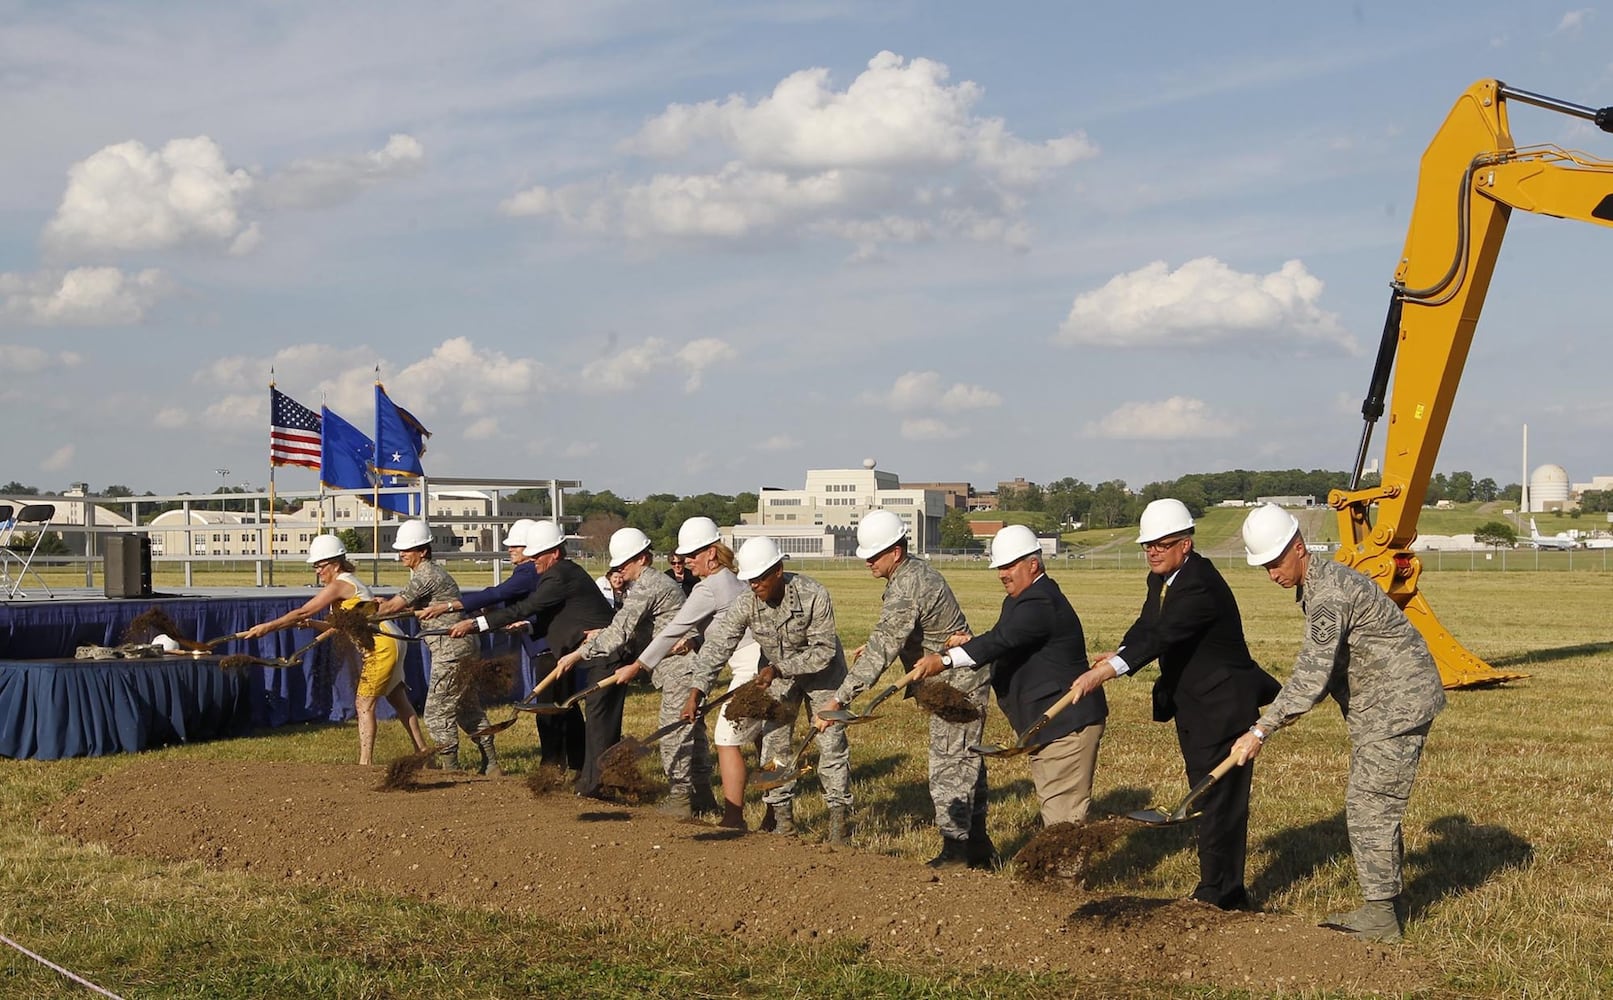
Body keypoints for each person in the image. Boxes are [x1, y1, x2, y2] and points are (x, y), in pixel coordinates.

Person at [1229, 503, 1446, 943]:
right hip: (1386, 705)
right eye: (1264, 567)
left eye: (1275, 562)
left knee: (1368, 808)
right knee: (1376, 807)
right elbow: (1324, 672)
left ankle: (1381, 917)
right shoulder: (1322, 584)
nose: (1272, 574)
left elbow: (1312, 676)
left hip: (1395, 706)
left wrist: (1260, 730)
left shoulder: (1328, 595)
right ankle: (1388, 902)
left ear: (1298, 546)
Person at [1072, 499, 1280, 909]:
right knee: (1206, 795)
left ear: (1185, 544)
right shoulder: (1163, 579)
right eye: (1147, 544)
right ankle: (1224, 888)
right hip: (1195, 705)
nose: (1152, 551)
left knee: (1218, 799)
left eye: (1161, 544)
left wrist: (1108, 671)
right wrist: (1118, 650)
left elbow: (1162, 636)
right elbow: (1147, 625)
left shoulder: (1199, 584)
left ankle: (1219, 893)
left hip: (1224, 705)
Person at [816, 510, 993, 869]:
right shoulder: (908, 576)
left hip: (957, 685)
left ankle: (957, 852)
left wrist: (839, 698)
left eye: (873, 554)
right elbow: (900, 634)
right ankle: (977, 847)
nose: (867, 561)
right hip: (952, 679)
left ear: (895, 551)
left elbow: (883, 647)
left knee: (949, 766)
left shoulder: (908, 584)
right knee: (966, 761)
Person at [914, 525, 1106, 827]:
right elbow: (1006, 640)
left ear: (1033, 564)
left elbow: (1002, 640)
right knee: (1056, 808)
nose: (1003, 573)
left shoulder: (1039, 601)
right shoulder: (1022, 599)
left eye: (1010, 565)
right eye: (1000, 567)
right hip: (1049, 724)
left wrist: (946, 660)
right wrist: (971, 644)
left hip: (1066, 723)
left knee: (1064, 819)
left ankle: (1063, 874)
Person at [686, 536, 853, 844]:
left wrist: (779, 669)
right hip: (779, 678)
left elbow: (824, 651)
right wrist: (698, 689)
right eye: (749, 580)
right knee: (774, 746)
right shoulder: (747, 602)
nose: (754, 586)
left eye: (760, 578)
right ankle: (783, 821)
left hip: (824, 676)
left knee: (831, 745)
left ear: (778, 570)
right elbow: (718, 645)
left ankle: (838, 824)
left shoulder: (813, 594)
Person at [448, 520, 622, 797]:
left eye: (538, 554)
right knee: (583, 714)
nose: (533, 559)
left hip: (605, 653)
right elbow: (558, 617)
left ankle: (598, 784)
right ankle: (590, 780)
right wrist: (529, 627)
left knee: (599, 721)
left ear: (554, 553)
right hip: (587, 652)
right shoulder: (560, 573)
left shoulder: (558, 575)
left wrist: (477, 624)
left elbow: (526, 606)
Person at [243, 534, 427, 765]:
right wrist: (311, 625)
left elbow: (302, 611)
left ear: (335, 564)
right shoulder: (350, 583)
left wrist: (267, 627)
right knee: (398, 700)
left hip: (382, 646)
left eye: (320, 566)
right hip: (391, 639)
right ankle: (423, 752)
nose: (317, 571)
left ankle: (365, 763)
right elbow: (337, 627)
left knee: (363, 704)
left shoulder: (340, 585)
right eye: (315, 566)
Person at [554, 527, 701, 816]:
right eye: (617, 565)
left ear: (642, 559)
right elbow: (631, 630)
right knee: (692, 734)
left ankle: (681, 801)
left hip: (679, 668)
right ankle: (703, 798)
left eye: (624, 563)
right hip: (679, 666)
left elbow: (618, 633)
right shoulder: (648, 584)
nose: (620, 569)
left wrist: (577, 655)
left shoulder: (648, 585)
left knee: (675, 736)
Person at [420, 519, 582, 773]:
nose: (510, 550)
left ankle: (553, 765)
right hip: (552, 646)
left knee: (551, 711)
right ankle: (573, 764)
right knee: (565, 708)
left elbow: (498, 593)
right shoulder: (534, 573)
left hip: (549, 649)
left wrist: (452, 607)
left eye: (515, 546)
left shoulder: (529, 572)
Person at [663, 518, 762, 829]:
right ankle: (775, 816)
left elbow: (672, 630)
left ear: (711, 553)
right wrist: (696, 640)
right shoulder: (734, 580)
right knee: (764, 740)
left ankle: (733, 818)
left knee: (726, 738)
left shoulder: (709, 587)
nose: (685, 561)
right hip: (759, 661)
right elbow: (724, 629)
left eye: (691, 554)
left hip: (751, 667)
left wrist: (639, 664)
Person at [375, 520, 496, 775]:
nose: (402, 554)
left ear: (423, 551)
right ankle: (492, 763)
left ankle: (450, 768)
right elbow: (412, 607)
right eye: (402, 550)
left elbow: (394, 607)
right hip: (462, 646)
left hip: (450, 649)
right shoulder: (431, 574)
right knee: (466, 707)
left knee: (435, 712)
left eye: (408, 549)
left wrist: (366, 613)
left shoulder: (425, 575)